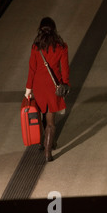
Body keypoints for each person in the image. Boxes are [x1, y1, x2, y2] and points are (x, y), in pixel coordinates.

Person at [25, 17, 70, 162]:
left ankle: (44, 142)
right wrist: (65, 83)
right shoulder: (61, 46)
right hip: (53, 86)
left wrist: (28, 88)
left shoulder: (36, 47)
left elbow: (32, 69)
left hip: (38, 87)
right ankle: (48, 153)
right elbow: (65, 69)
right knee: (51, 121)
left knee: (41, 114)